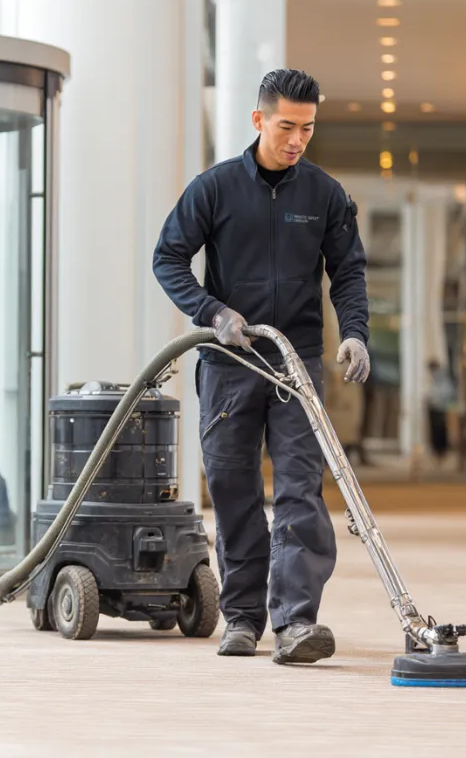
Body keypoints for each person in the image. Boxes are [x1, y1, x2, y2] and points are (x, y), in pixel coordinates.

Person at [152, 69, 370, 665]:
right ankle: (243, 618)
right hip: (229, 361)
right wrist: (211, 310)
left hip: (295, 363)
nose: (298, 138)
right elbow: (168, 257)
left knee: (300, 487)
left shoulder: (323, 195)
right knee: (232, 488)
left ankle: (296, 622)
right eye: (287, 126)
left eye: (308, 128)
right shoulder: (216, 189)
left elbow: (347, 272)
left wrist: (354, 334)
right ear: (258, 120)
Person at [426, 359, 454, 464]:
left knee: (440, 430)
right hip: (435, 407)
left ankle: (441, 451)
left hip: (439, 407)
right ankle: (438, 452)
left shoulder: (440, 377)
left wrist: (434, 399)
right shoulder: (435, 377)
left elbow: (445, 392)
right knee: (435, 430)